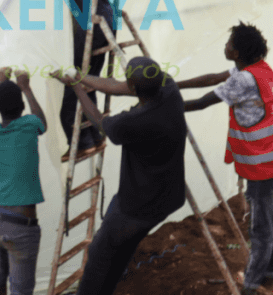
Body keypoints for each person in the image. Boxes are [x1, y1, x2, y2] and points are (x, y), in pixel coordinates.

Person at [50, 57, 187, 295]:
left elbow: (101, 122)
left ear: (134, 88)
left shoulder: (135, 122)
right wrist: (80, 77)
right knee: (122, 249)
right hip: (167, 196)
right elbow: (116, 85)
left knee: (100, 256)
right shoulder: (169, 88)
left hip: (137, 207)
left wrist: (75, 88)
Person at [177, 22, 273, 295]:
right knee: (272, 216)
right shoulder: (258, 69)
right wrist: (174, 84)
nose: (225, 46)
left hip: (262, 167)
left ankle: (251, 286)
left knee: (261, 229)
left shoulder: (243, 80)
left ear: (238, 52)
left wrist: (164, 104)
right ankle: (268, 271)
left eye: (229, 43)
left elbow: (204, 101)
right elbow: (213, 78)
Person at [18, 0, 115, 161]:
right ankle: (95, 135)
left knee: (76, 85)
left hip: (88, 24)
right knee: (91, 78)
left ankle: (83, 141)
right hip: (107, 20)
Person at [0, 68, 48, 295]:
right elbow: (42, 121)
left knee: (0, 274)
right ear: (22, 106)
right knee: (21, 289)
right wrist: (26, 87)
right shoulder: (29, 126)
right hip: (20, 226)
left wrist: (0, 84)